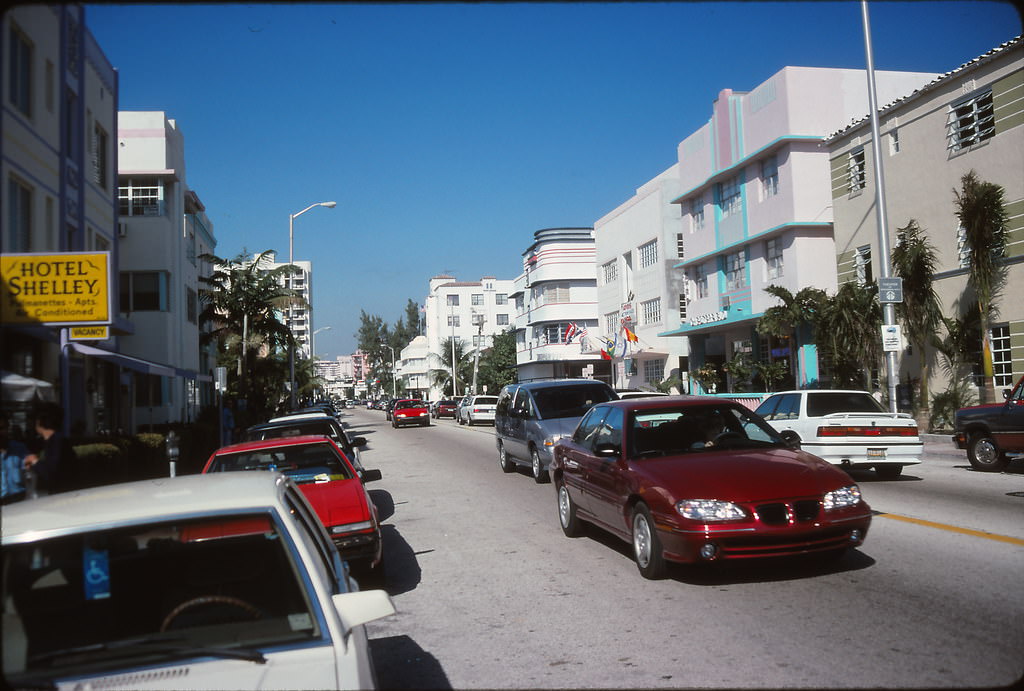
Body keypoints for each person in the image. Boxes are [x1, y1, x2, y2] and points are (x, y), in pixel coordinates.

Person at [23, 402, 77, 496]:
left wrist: (34, 461)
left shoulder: (56, 442)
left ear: (39, 422)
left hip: (62, 497)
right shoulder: (55, 440)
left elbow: (51, 474)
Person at [1, 413, 27, 504]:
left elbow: (29, 475)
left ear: (8, 429)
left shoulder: (20, 449)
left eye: (2, 428)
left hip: (19, 501)